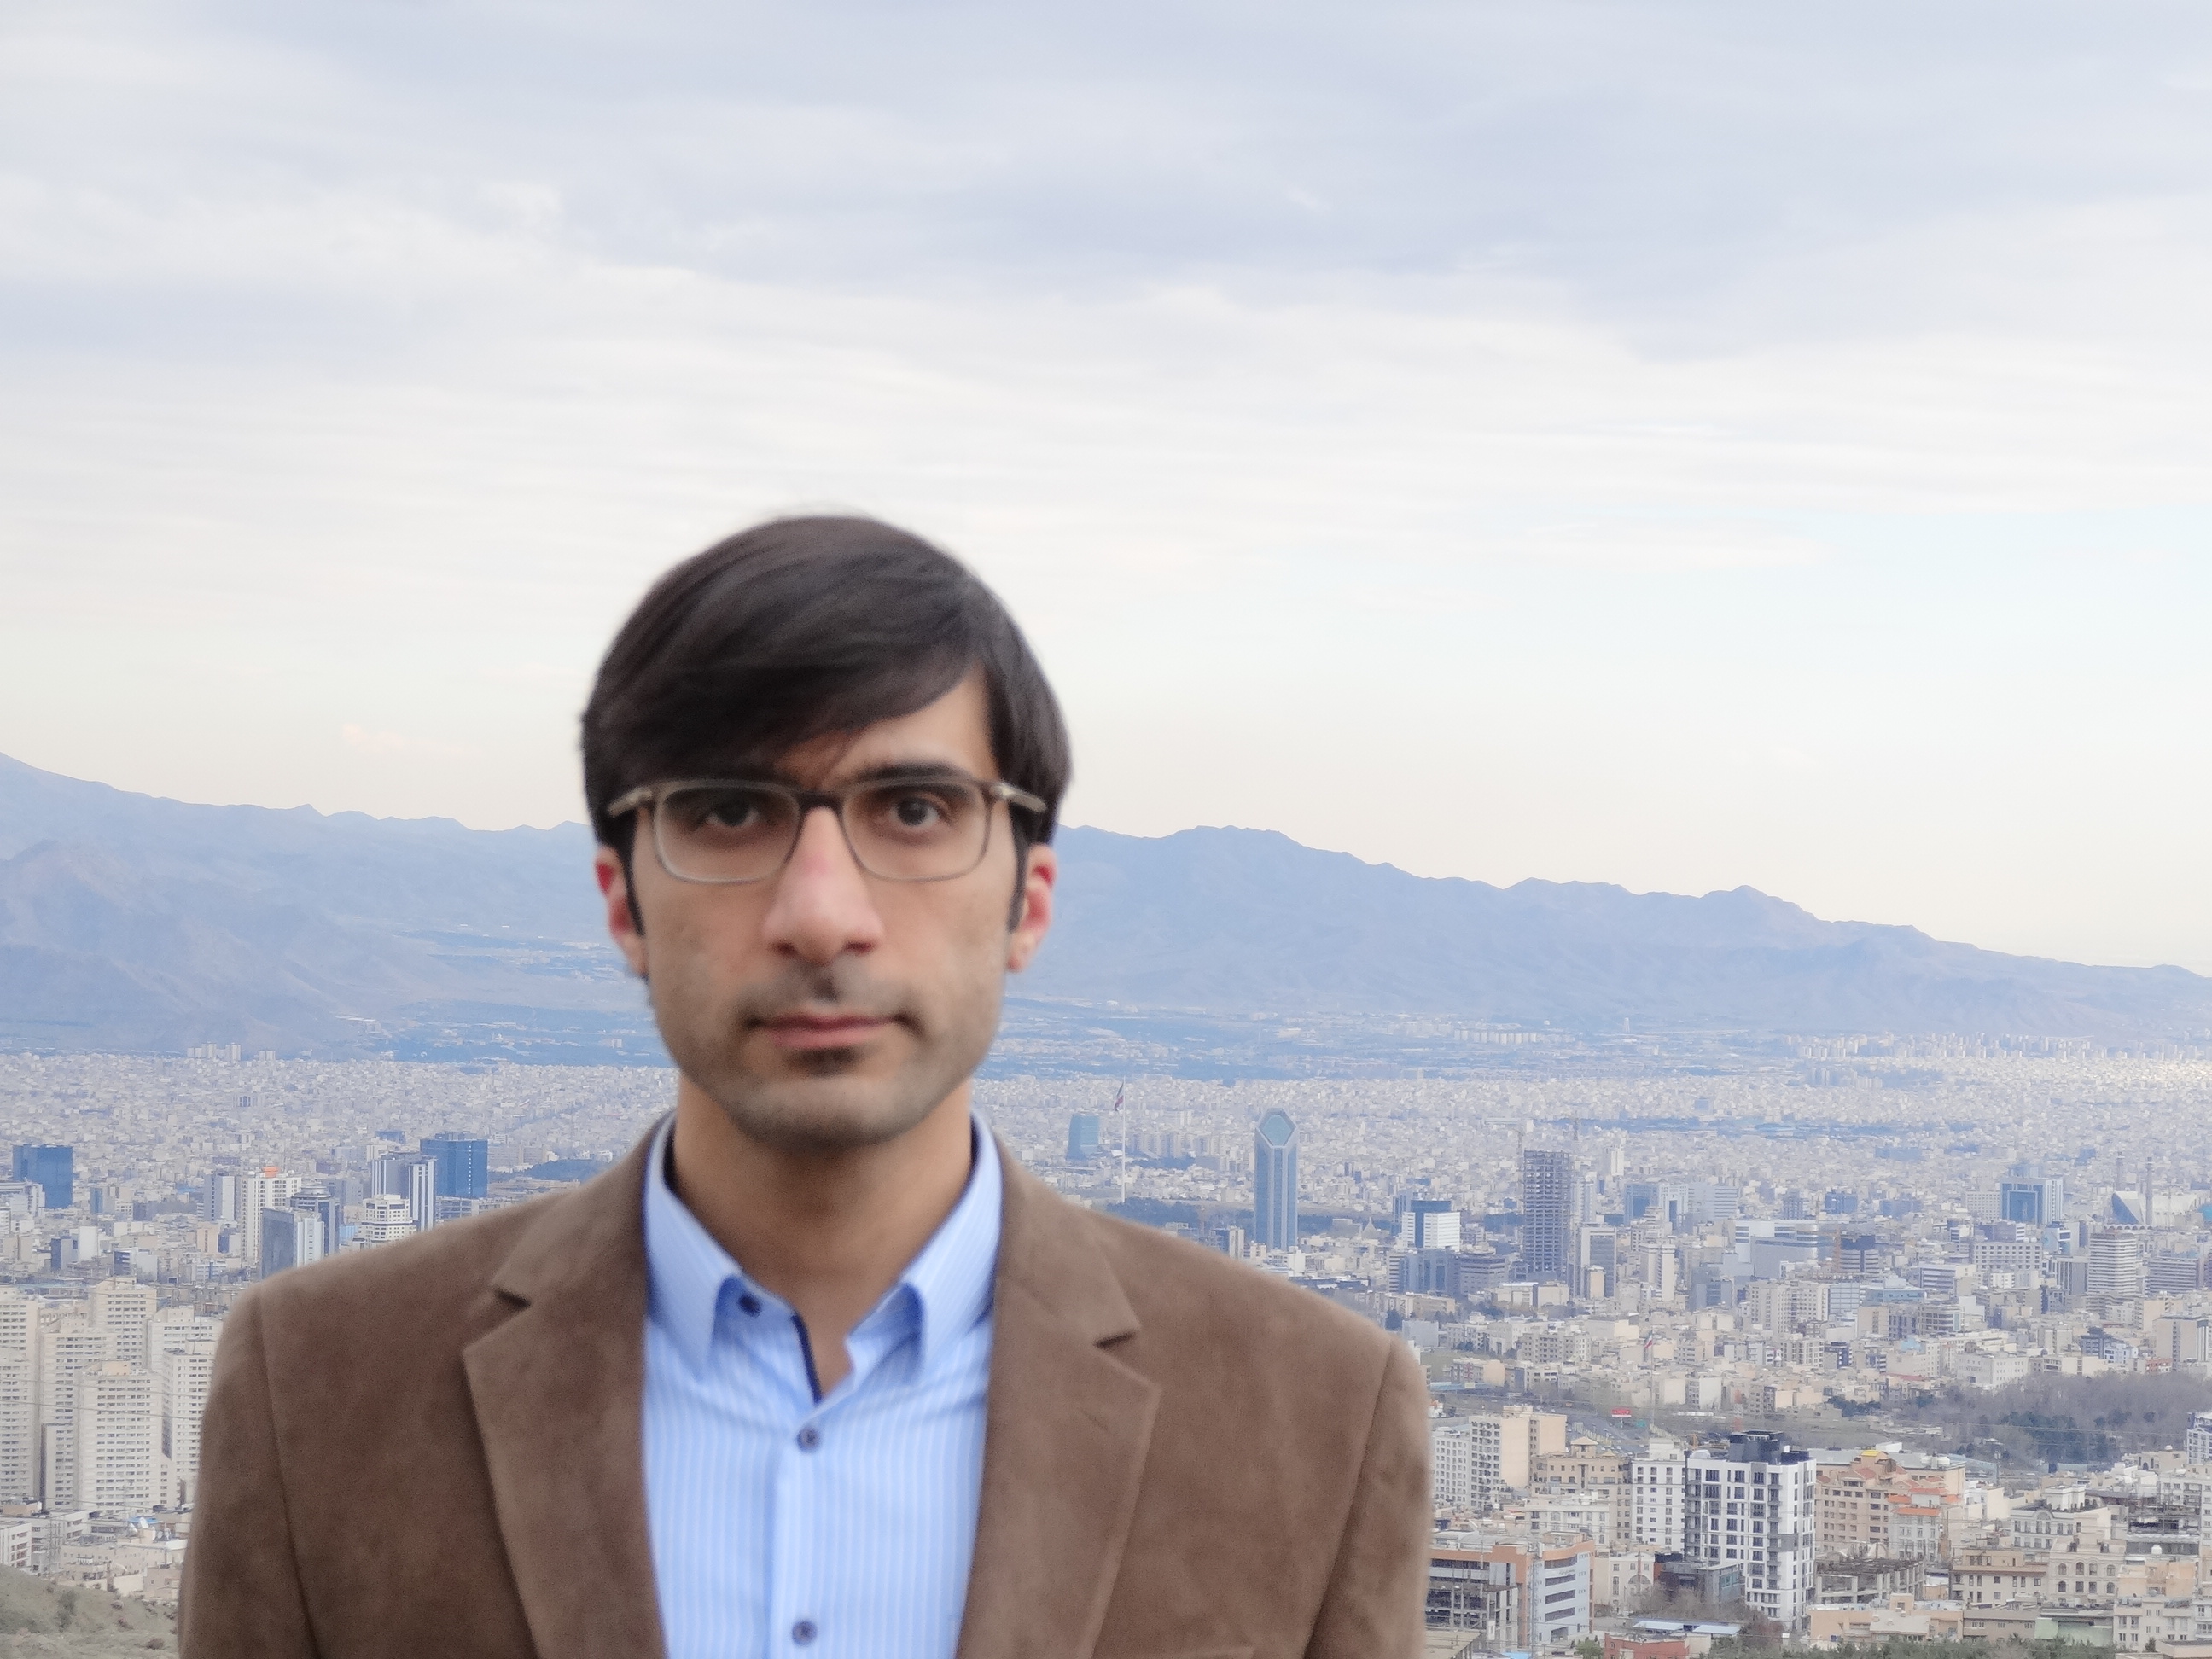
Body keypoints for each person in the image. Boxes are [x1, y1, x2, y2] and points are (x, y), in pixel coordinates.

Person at [179, 515, 1429, 1658]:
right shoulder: (323, 1386)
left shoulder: (1314, 1418)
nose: (822, 915)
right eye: (730, 812)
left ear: (1028, 902)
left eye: (915, 809)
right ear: (623, 903)